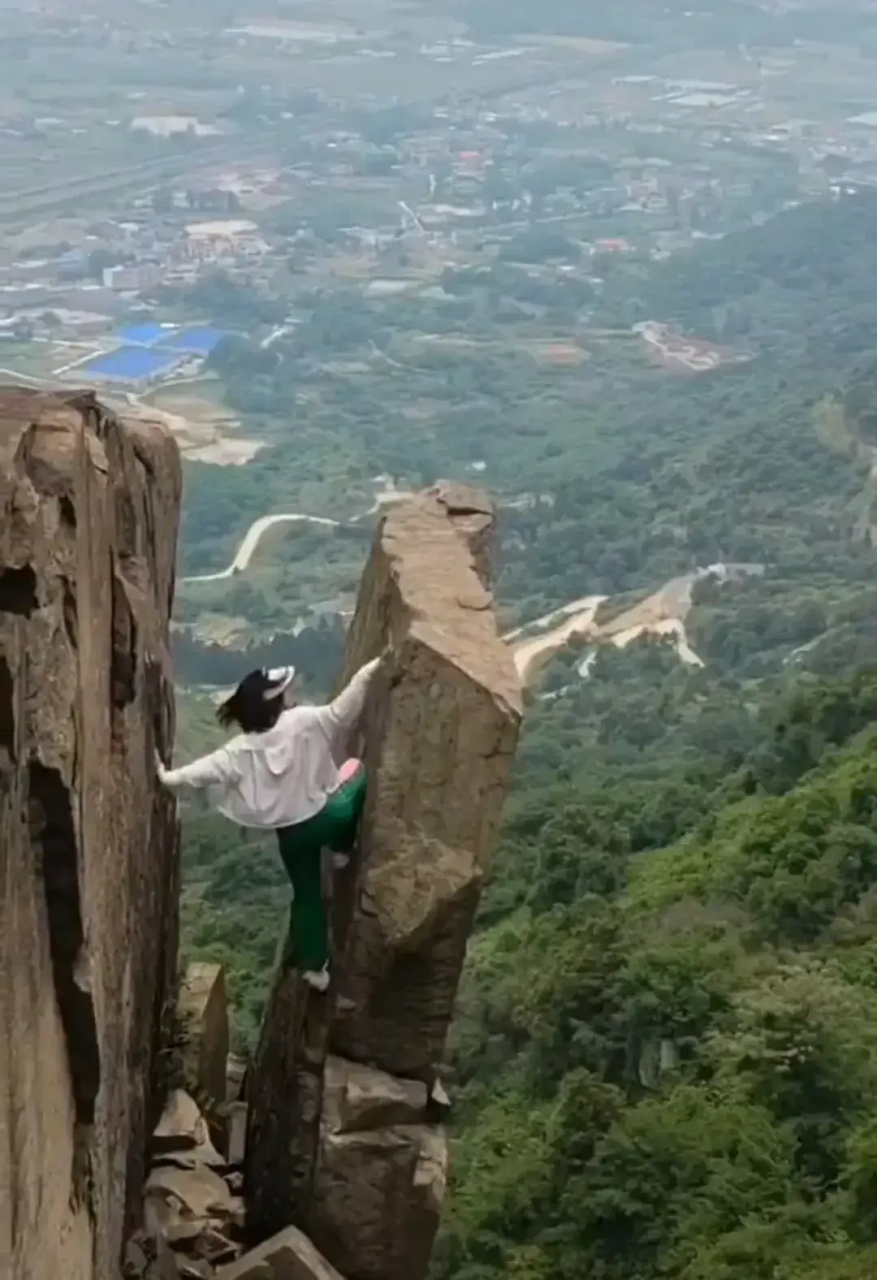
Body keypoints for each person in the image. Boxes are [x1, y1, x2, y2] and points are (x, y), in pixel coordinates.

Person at [155, 656, 383, 991]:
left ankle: (316, 971)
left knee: (306, 896)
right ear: (276, 702)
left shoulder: (240, 750)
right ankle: (341, 851)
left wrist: (166, 776)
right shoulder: (303, 721)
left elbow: (198, 774)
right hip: (326, 819)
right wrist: (370, 670)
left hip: (291, 836)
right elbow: (342, 713)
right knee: (356, 772)